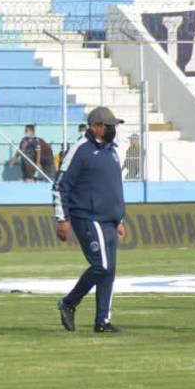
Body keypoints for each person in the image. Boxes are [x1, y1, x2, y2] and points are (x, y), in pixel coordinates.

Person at [54, 107, 126, 333]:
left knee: (109, 270)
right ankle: (69, 302)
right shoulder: (80, 150)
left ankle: (102, 320)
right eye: (108, 125)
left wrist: (119, 218)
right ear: (95, 126)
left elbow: (113, 187)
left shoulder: (112, 151)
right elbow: (60, 186)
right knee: (101, 265)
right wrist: (62, 218)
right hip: (87, 216)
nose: (113, 129)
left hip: (109, 219)